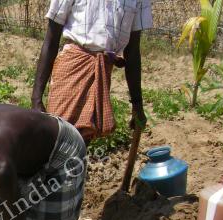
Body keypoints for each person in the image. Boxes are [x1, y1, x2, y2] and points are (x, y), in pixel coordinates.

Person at [31, 0, 153, 141]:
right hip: (72, 66)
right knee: (58, 136)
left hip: (102, 71)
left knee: (84, 138)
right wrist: (36, 99)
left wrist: (137, 105)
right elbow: (51, 39)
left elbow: (132, 51)